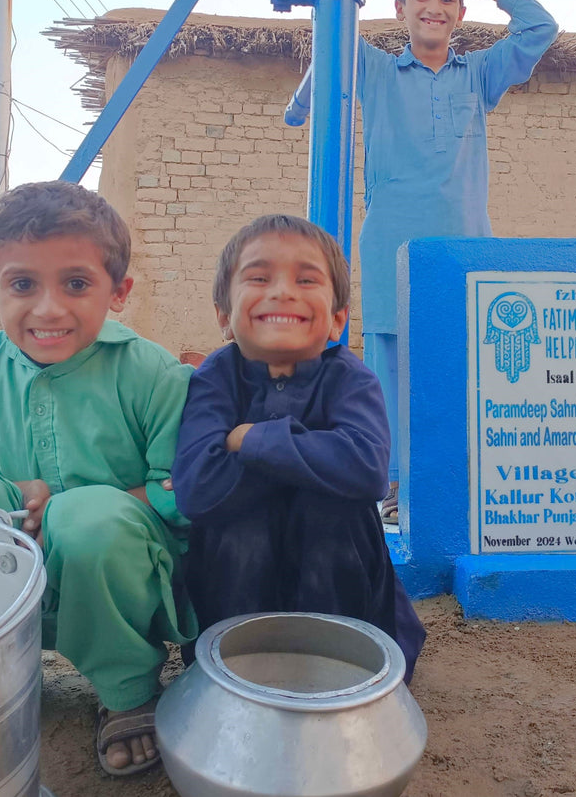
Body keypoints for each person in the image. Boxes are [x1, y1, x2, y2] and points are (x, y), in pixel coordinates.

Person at [0, 180, 196, 777]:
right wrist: (14, 500)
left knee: (89, 519)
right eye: (22, 284)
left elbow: (180, 495)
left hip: (122, 570)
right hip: (19, 562)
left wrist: (64, 508)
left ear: (119, 291)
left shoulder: (155, 375)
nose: (49, 308)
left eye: (76, 284)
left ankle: (127, 689)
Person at [171, 214, 425, 680]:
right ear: (225, 317)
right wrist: (313, 460)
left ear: (337, 320)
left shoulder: (351, 378)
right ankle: (233, 672)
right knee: (237, 525)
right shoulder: (215, 377)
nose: (283, 291)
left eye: (306, 279)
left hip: (338, 583)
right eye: (259, 277)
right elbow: (197, 489)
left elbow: (367, 468)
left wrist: (250, 438)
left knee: (331, 510)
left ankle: (344, 671)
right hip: (236, 587)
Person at [358, 0, 559, 521]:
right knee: (390, 370)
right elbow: (332, 19)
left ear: (461, 12)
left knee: (463, 365)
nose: (434, 8)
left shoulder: (479, 74)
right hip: (390, 246)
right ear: (399, 9)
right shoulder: (373, 71)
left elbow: (542, 27)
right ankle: (394, 486)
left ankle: (455, 479)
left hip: (464, 248)